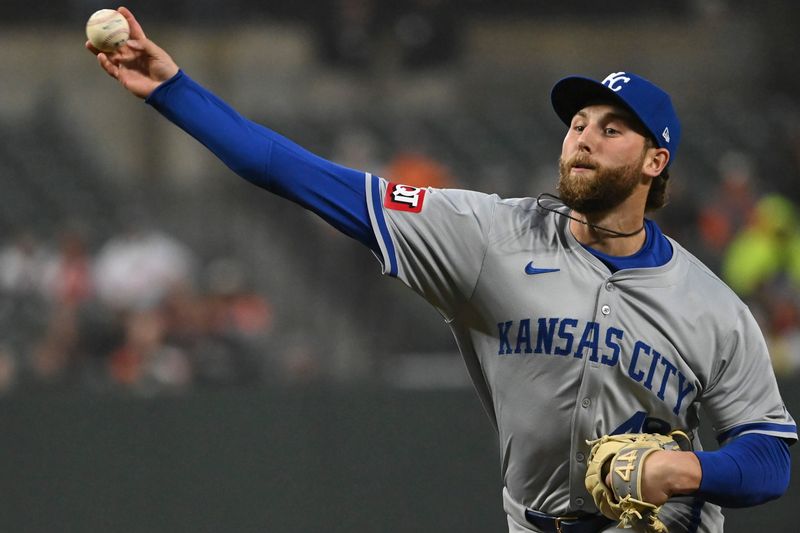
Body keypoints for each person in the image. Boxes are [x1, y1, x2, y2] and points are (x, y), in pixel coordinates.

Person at [87, 8, 796, 532]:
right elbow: (292, 172)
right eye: (578, 122)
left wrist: (687, 470)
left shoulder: (713, 306)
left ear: (655, 161)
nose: (583, 138)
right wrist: (173, 89)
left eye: (612, 129)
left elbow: (771, 454)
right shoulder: (489, 236)